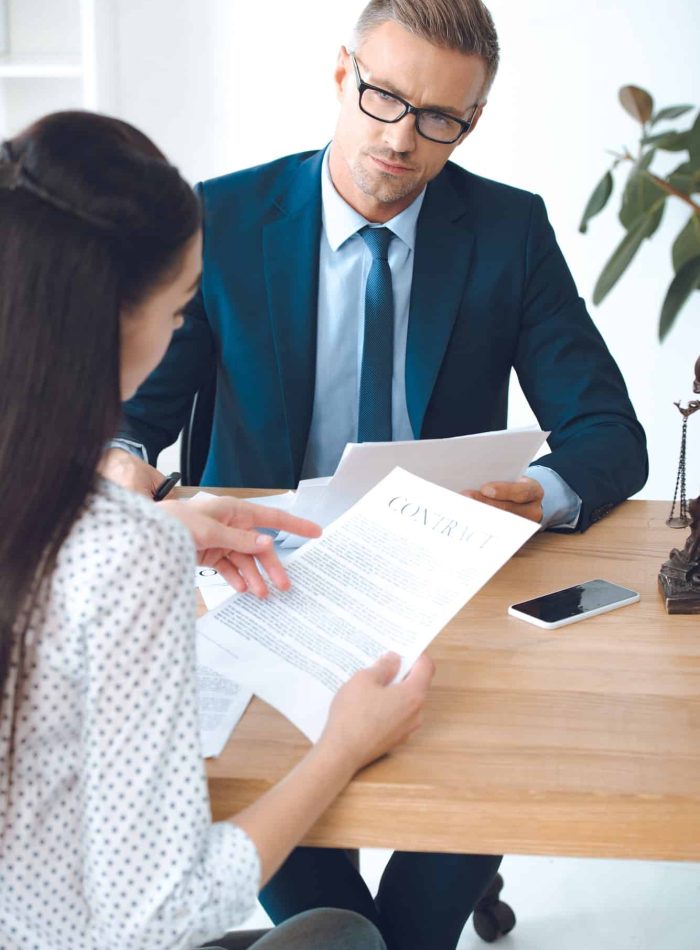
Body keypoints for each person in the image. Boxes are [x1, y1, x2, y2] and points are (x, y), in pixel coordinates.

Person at [103, 0, 648, 946]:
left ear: (471, 122)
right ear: (341, 72)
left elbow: (608, 430)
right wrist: (123, 470)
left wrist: (546, 490)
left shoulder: (508, 231)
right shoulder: (224, 218)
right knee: (304, 840)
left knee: (478, 778)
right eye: (384, 96)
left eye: (439, 117)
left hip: (443, 584)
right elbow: (135, 419)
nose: (401, 138)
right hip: (265, 575)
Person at [0, 110, 435, 950]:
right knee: (345, 931)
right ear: (112, 324)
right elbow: (164, 913)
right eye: (176, 312)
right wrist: (340, 749)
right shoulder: (123, 553)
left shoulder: (87, 526)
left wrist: (151, 520)